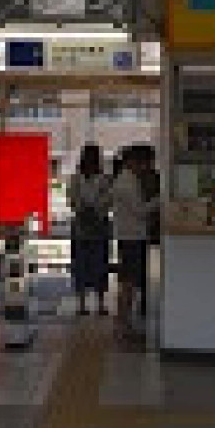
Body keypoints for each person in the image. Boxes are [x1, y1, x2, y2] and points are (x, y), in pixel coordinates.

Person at [110, 143, 159, 343]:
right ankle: (123, 325)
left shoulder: (128, 180)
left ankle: (124, 324)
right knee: (128, 284)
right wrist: (160, 200)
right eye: (146, 163)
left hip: (131, 236)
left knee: (128, 283)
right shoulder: (126, 184)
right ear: (134, 162)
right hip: (131, 238)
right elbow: (140, 211)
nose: (147, 167)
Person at [67, 144, 115, 316]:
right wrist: (88, 208)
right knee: (84, 264)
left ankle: (97, 303)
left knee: (98, 264)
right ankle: (85, 303)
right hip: (86, 224)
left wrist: (92, 208)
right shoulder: (76, 178)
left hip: (94, 224)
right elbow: (72, 199)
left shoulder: (105, 179)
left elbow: (109, 199)